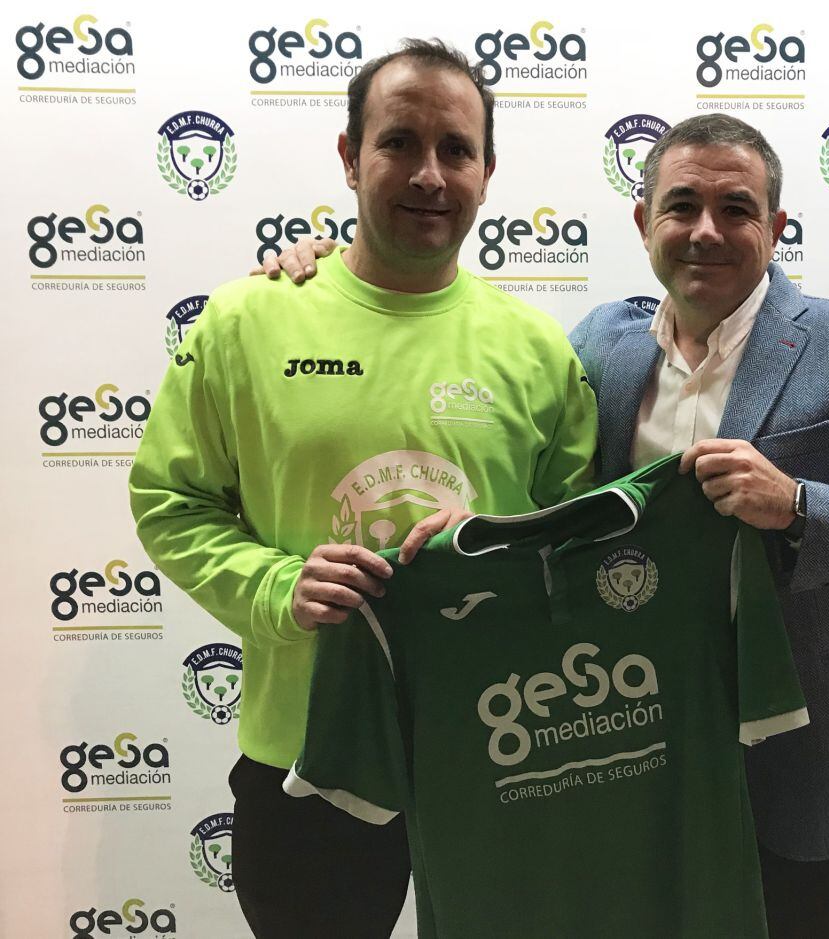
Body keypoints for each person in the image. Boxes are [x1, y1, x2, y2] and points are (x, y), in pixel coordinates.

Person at [264, 113, 829, 936]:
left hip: (811, 773)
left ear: (776, 227)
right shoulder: (603, 347)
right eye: (682, 206)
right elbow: (554, 496)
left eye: (736, 209)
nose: (706, 231)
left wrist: (798, 506)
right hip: (639, 766)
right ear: (644, 222)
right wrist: (328, 273)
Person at [129, 40, 596, 939]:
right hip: (310, 756)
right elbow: (171, 501)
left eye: (456, 149)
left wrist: (501, 544)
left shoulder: (538, 348)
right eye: (399, 142)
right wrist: (279, 586)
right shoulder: (248, 321)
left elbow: (583, 542)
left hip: (507, 747)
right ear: (349, 157)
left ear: (488, 172)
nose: (429, 174)